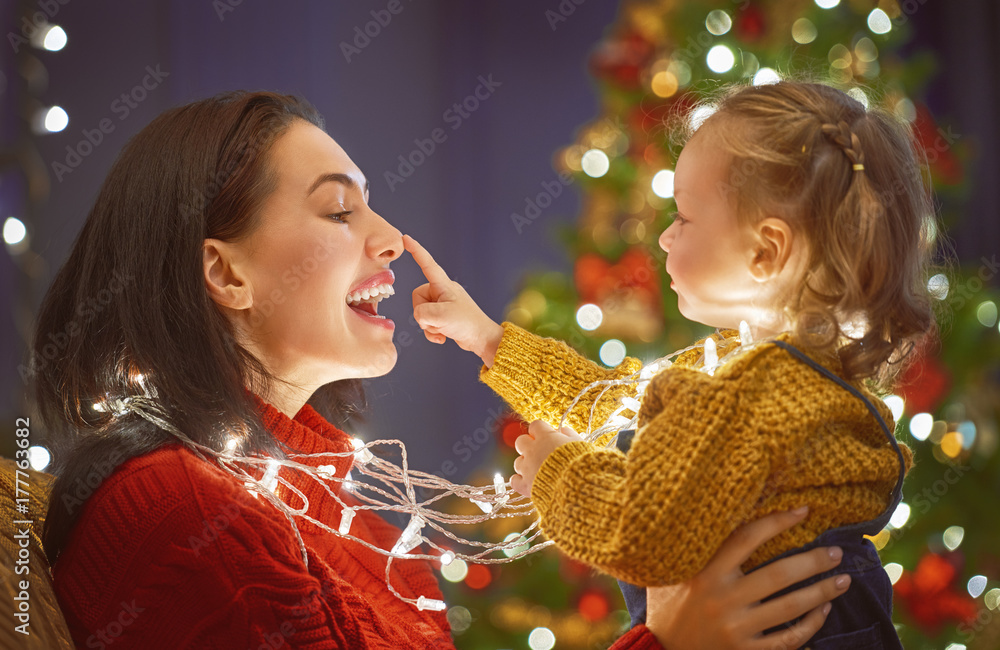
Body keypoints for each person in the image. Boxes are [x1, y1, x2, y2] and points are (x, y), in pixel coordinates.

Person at [30, 90, 850, 649]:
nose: (389, 238)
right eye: (339, 209)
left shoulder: (310, 496)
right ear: (226, 274)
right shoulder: (184, 515)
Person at [407, 81, 936, 649]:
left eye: (683, 218)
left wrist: (556, 474)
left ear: (765, 251)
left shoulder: (755, 397)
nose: (663, 236)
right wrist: (490, 341)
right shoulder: (785, 375)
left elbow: (645, 533)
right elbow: (615, 404)